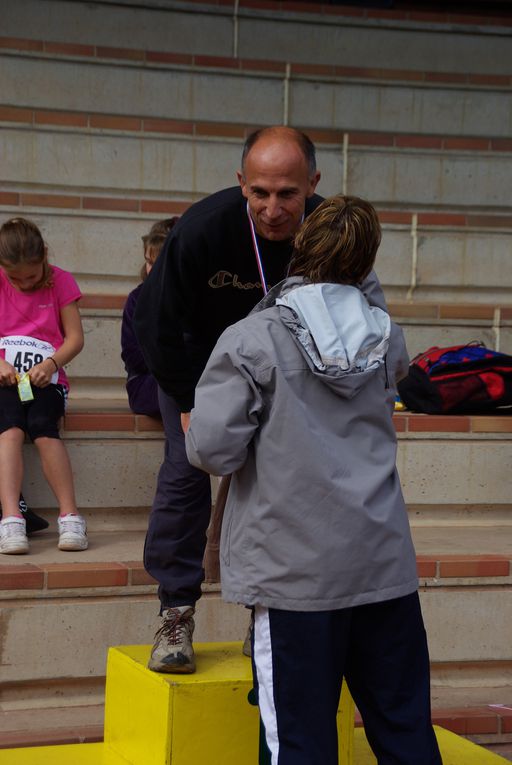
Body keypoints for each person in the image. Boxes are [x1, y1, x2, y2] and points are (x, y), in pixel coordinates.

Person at [185, 195, 442, 765]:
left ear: (301, 246)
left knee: (298, 744)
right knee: (405, 733)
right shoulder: (387, 338)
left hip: (294, 575)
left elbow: (211, 450)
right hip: (382, 565)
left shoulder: (254, 339)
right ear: (366, 258)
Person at [134, 126, 386, 674]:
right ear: (241, 183)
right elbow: (152, 321)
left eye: (288, 194)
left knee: (283, 491)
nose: (273, 209)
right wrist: (183, 397)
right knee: (184, 475)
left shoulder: (330, 231)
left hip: (289, 379)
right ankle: (175, 611)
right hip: (200, 376)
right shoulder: (202, 229)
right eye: (260, 193)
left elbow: (367, 313)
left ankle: (266, 614)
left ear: (312, 184)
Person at [0, 217, 87, 555]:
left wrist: (51, 364)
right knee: (8, 429)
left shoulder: (60, 281)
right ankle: (10, 519)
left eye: (31, 276)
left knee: (43, 427)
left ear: (44, 258)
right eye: (14, 277)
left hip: (46, 379)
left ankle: (70, 515)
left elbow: (75, 339)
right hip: (6, 380)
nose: (23, 283)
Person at [121, 218, 178, 417]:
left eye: (158, 264)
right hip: (146, 383)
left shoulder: (190, 297)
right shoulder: (137, 300)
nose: (151, 270)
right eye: (148, 262)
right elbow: (132, 355)